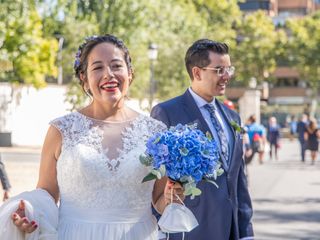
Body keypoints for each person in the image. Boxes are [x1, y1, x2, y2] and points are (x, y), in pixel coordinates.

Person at [0, 34, 179, 240]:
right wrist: (29, 211)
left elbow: (158, 199)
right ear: (84, 78)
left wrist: (173, 198)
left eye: (116, 66)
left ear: (130, 73)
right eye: (97, 68)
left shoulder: (155, 132)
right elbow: (47, 194)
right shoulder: (61, 130)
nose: (109, 74)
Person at [151, 39, 253, 240]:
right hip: (190, 229)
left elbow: (238, 180)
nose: (226, 76)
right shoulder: (167, 112)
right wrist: (161, 233)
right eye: (219, 70)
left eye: (228, 69)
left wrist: (246, 232)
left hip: (231, 229)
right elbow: (155, 181)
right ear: (197, 72)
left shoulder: (232, 117)